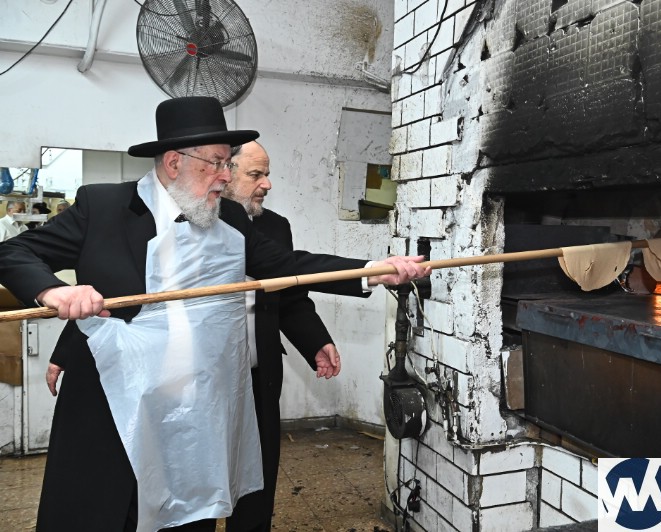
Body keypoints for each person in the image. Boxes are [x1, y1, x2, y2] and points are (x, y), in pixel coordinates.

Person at [0, 96, 429, 532]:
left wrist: (370, 271)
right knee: (107, 512)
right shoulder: (104, 207)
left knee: (188, 516)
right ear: (174, 163)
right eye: (217, 163)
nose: (226, 175)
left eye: (228, 163)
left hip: (194, 413)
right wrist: (54, 290)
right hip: (113, 406)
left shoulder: (231, 220)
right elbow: (14, 252)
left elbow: (286, 266)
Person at [223, 141, 341, 531]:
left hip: (259, 376)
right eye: (255, 175)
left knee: (257, 478)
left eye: (267, 174)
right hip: (204, 379)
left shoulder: (275, 226)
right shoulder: (192, 222)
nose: (267, 184)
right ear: (224, 173)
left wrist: (316, 341)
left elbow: (289, 296)